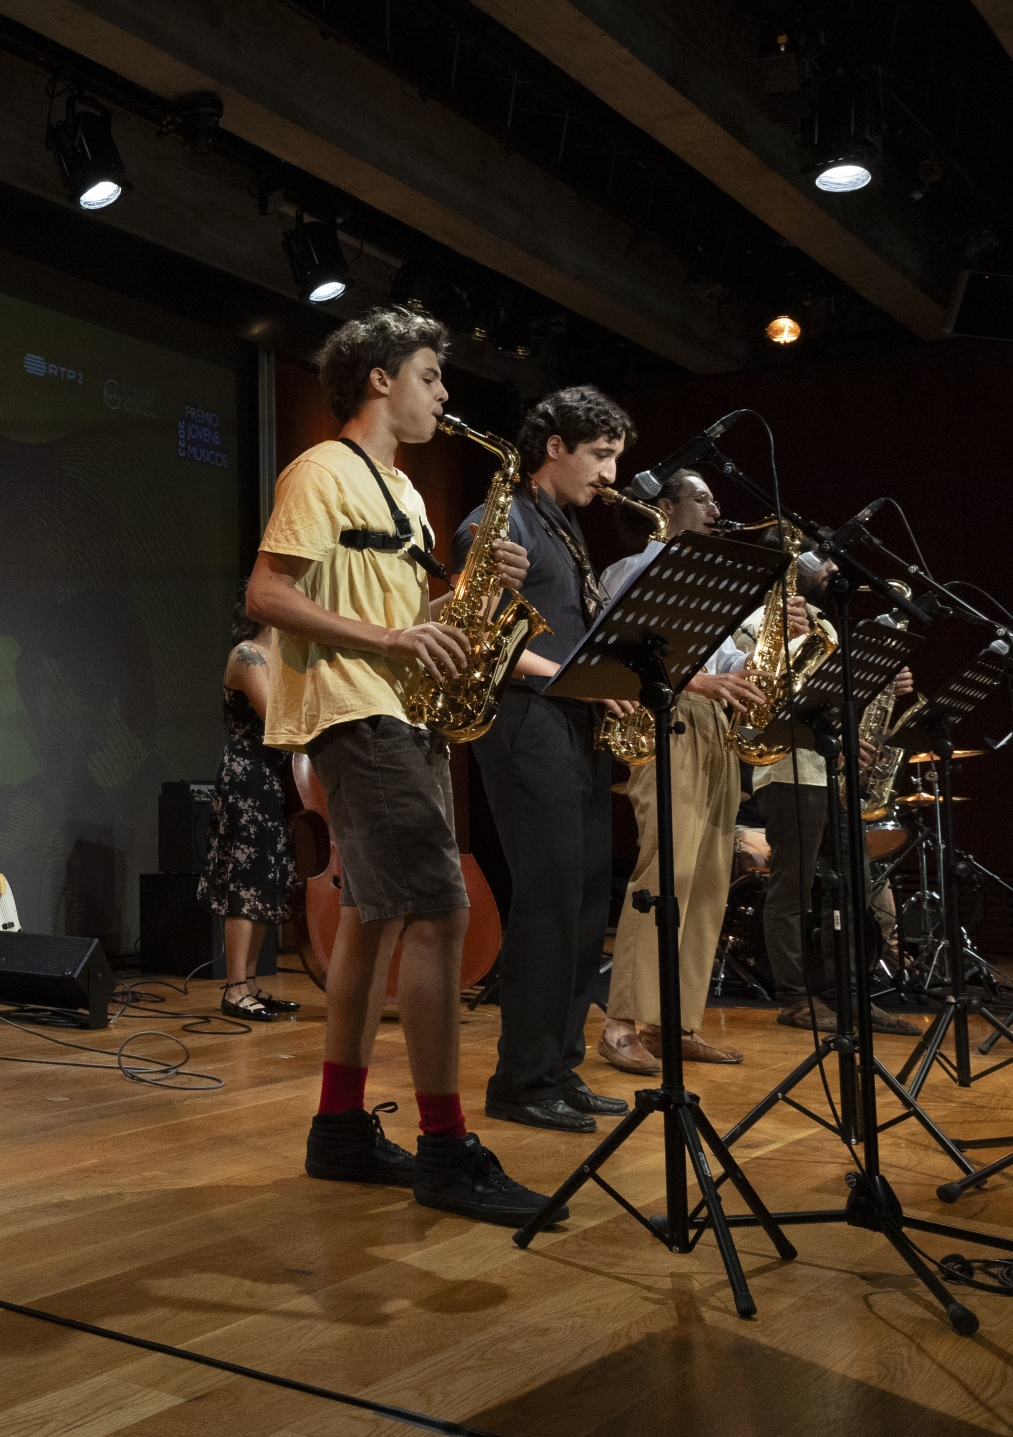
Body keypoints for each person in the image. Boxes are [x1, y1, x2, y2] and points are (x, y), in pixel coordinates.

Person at [246, 305, 563, 1227]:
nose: (445, 392)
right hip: (359, 711)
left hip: (406, 713)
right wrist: (389, 638)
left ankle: (340, 1127)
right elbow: (266, 591)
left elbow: (414, 613)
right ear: (380, 379)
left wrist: (474, 594)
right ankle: (445, 1146)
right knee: (439, 913)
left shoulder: (408, 494)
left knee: (374, 921)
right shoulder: (322, 470)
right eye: (431, 374)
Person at [453, 386, 637, 1135]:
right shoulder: (499, 522)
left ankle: (559, 1066)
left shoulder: (564, 524)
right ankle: (521, 1081)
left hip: (573, 721)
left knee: (587, 902)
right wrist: (571, 676)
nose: (612, 474)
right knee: (549, 902)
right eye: (601, 454)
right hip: (526, 721)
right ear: (555, 446)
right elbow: (481, 636)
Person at [588, 471, 765, 1073]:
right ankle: (620, 1024)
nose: (715, 508)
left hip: (717, 724)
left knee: (710, 880)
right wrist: (701, 681)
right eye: (702, 498)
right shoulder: (632, 570)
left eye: (715, 498)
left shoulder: (712, 579)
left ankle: (675, 1023)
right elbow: (619, 652)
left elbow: (730, 662)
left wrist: (766, 653)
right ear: (664, 506)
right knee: (668, 871)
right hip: (669, 718)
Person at [713, 554, 923, 1037]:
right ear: (793, 566)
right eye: (820, 559)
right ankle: (795, 999)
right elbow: (767, 698)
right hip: (788, 771)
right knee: (793, 889)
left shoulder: (827, 624)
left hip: (834, 772)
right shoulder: (759, 623)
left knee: (853, 889)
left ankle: (853, 997)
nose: (832, 567)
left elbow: (835, 696)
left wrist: (881, 687)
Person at [201, 585, 300, 1021]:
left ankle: (252, 983)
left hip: (274, 777)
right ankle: (234, 987)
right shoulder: (247, 655)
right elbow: (276, 717)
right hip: (249, 777)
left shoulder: (284, 659)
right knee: (245, 882)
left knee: (264, 882)